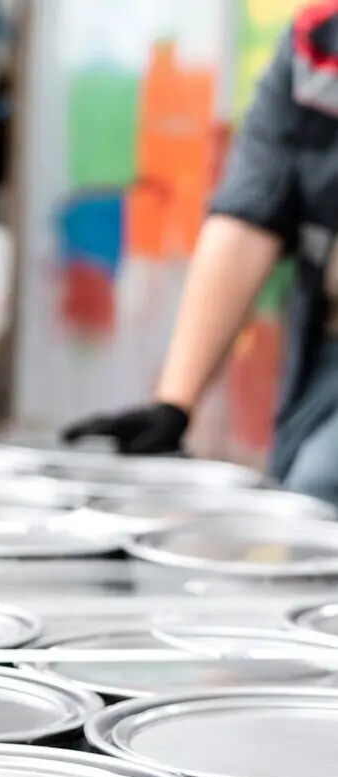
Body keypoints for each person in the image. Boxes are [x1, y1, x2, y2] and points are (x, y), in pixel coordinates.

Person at [62, 8, 338, 505]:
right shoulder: (316, 47)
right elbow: (249, 218)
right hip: (325, 355)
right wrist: (174, 406)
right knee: (297, 496)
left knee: (322, 485)